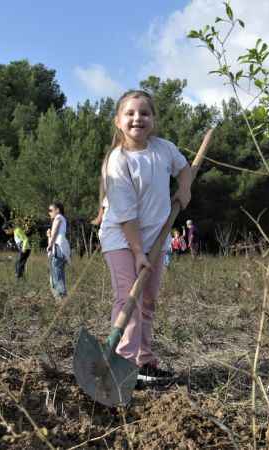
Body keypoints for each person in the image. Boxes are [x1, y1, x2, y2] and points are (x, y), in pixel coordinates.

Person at [98, 90, 191, 384]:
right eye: (130, 113)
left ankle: (145, 361)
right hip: (122, 239)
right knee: (129, 298)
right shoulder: (118, 161)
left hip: (156, 239)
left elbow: (185, 168)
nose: (138, 118)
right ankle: (124, 365)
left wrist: (184, 189)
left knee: (147, 301)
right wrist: (138, 252)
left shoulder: (163, 149)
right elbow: (126, 215)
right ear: (118, 121)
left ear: (154, 119)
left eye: (144, 113)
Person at [47, 201, 70, 299]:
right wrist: (49, 235)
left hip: (58, 248)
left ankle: (61, 298)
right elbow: (54, 233)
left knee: (56, 275)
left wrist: (50, 243)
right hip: (60, 248)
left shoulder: (58, 217)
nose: (49, 213)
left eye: (51, 210)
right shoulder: (61, 219)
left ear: (57, 210)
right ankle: (60, 297)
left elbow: (55, 231)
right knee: (57, 274)